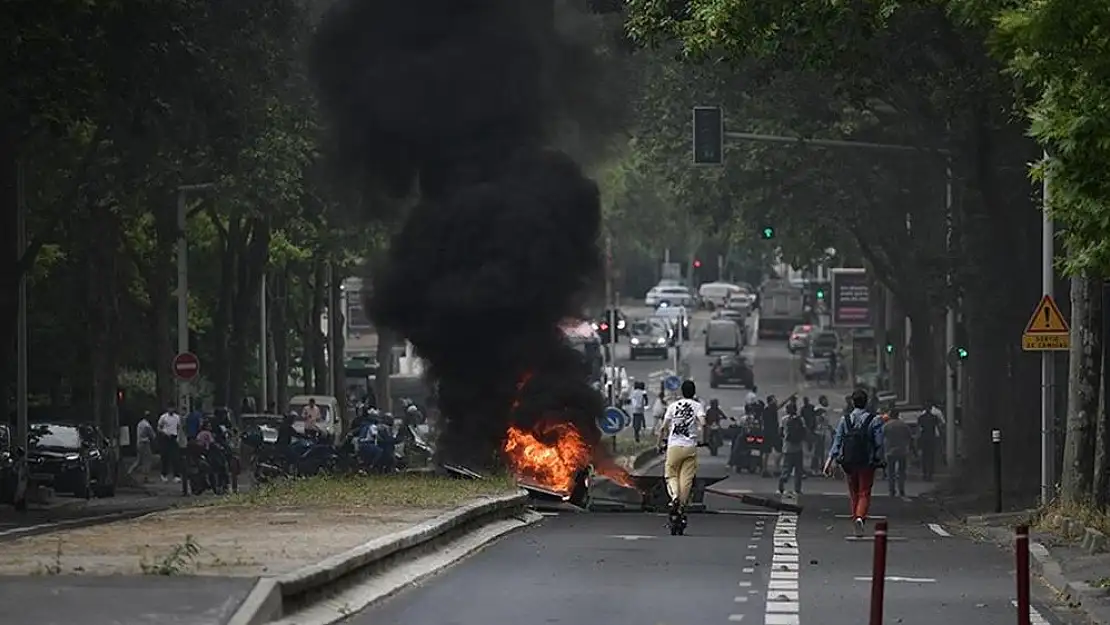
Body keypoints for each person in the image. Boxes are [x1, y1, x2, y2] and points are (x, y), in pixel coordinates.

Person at [825, 389, 885, 535]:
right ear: (866, 402)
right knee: (864, 492)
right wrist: (879, 458)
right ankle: (860, 517)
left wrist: (830, 460)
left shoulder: (844, 420)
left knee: (853, 492)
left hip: (849, 462)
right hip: (866, 462)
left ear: (852, 402)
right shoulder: (874, 420)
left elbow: (837, 441)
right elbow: (879, 443)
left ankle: (855, 518)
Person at [657, 379, 706, 514]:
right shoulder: (697, 406)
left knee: (671, 475)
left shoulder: (673, 406)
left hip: (673, 447)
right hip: (690, 447)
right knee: (686, 479)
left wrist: (659, 444)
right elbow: (703, 423)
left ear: (682, 392)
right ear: (694, 392)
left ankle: (674, 497)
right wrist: (703, 439)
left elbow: (663, 428)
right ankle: (682, 505)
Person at [883, 409, 912, 498]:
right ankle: (901, 489)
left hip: (890, 451)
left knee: (891, 472)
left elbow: (883, 436)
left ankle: (892, 490)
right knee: (901, 471)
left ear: (891, 415)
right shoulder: (904, 425)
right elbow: (909, 436)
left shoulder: (887, 425)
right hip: (902, 450)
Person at [779, 405, 806, 496]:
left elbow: (781, 432)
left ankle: (782, 480)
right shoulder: (800, 419)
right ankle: (797, 489)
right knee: (798, 470)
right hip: (798, 448)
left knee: (786, 468)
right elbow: (804, 432)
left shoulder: (784, 419)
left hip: (787, 448)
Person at [917, 402, 943, 480]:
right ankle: (930, 474)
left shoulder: (921, 418)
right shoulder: (934, 418)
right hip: (931, 438)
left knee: (924, 457)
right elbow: (938, 426)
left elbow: (919, 429)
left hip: (924, 438)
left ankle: (925, 473)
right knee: (931, 456)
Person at [156, 404, 182, 482]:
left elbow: (179, 427)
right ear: (167, 408)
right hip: (166, 437)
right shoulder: (163, 417)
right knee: (165, 456)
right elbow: (159, 427)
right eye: (170, 408)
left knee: (175, 457)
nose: (171, 409)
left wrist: (178, 437)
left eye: (172, 408)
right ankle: (164, 474)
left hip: (174, 437)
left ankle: (176, 475)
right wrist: (164, 432)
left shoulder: (177, 417)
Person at [130, 412, 156, 481]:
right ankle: (145, 477)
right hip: (145, 443)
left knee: (139, 460)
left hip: (138, 443)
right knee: (148, 460)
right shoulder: (147, 425)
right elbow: (152, 435)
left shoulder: (140, 423)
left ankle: (129, 472)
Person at [761, 395, 781, 476]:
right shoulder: (772, 410)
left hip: (767, 433)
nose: (776, 401)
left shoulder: (766, 410)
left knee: (766, 452)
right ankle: (776, 468)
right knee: (779, 451)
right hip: (773, 434)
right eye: (774, 400)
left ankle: (765, 469)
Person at [809, 396, 830, 474]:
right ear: (821, 401)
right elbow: (819, 421)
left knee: (821, 452)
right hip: (818, 433)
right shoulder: (819, 410)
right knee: (817, 451)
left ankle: (821, 467)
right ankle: (814, 467)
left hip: (822, 433)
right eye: (825, 400)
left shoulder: (823, 409)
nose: (827, 401)